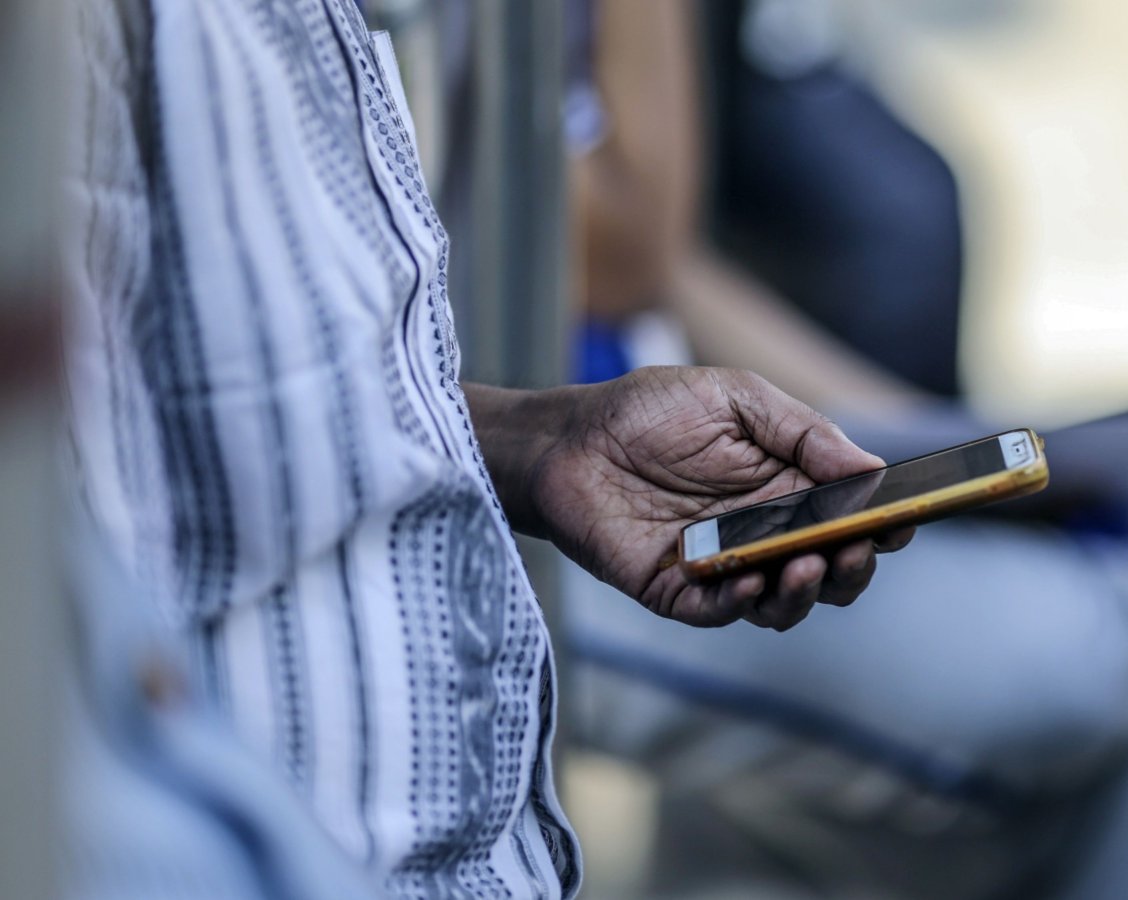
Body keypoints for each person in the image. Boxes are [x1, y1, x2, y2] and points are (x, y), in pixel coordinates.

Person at [61, 1, 909, 898]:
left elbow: (232, 378)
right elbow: (633, 246)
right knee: (1025, 683)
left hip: (485, 824)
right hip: (306, 846)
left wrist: (530, 436)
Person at [556, 2, 1128, 897]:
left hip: (646, 464)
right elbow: (629, 252)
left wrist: (905, 431)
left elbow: (670, 274)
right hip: (542, 516)